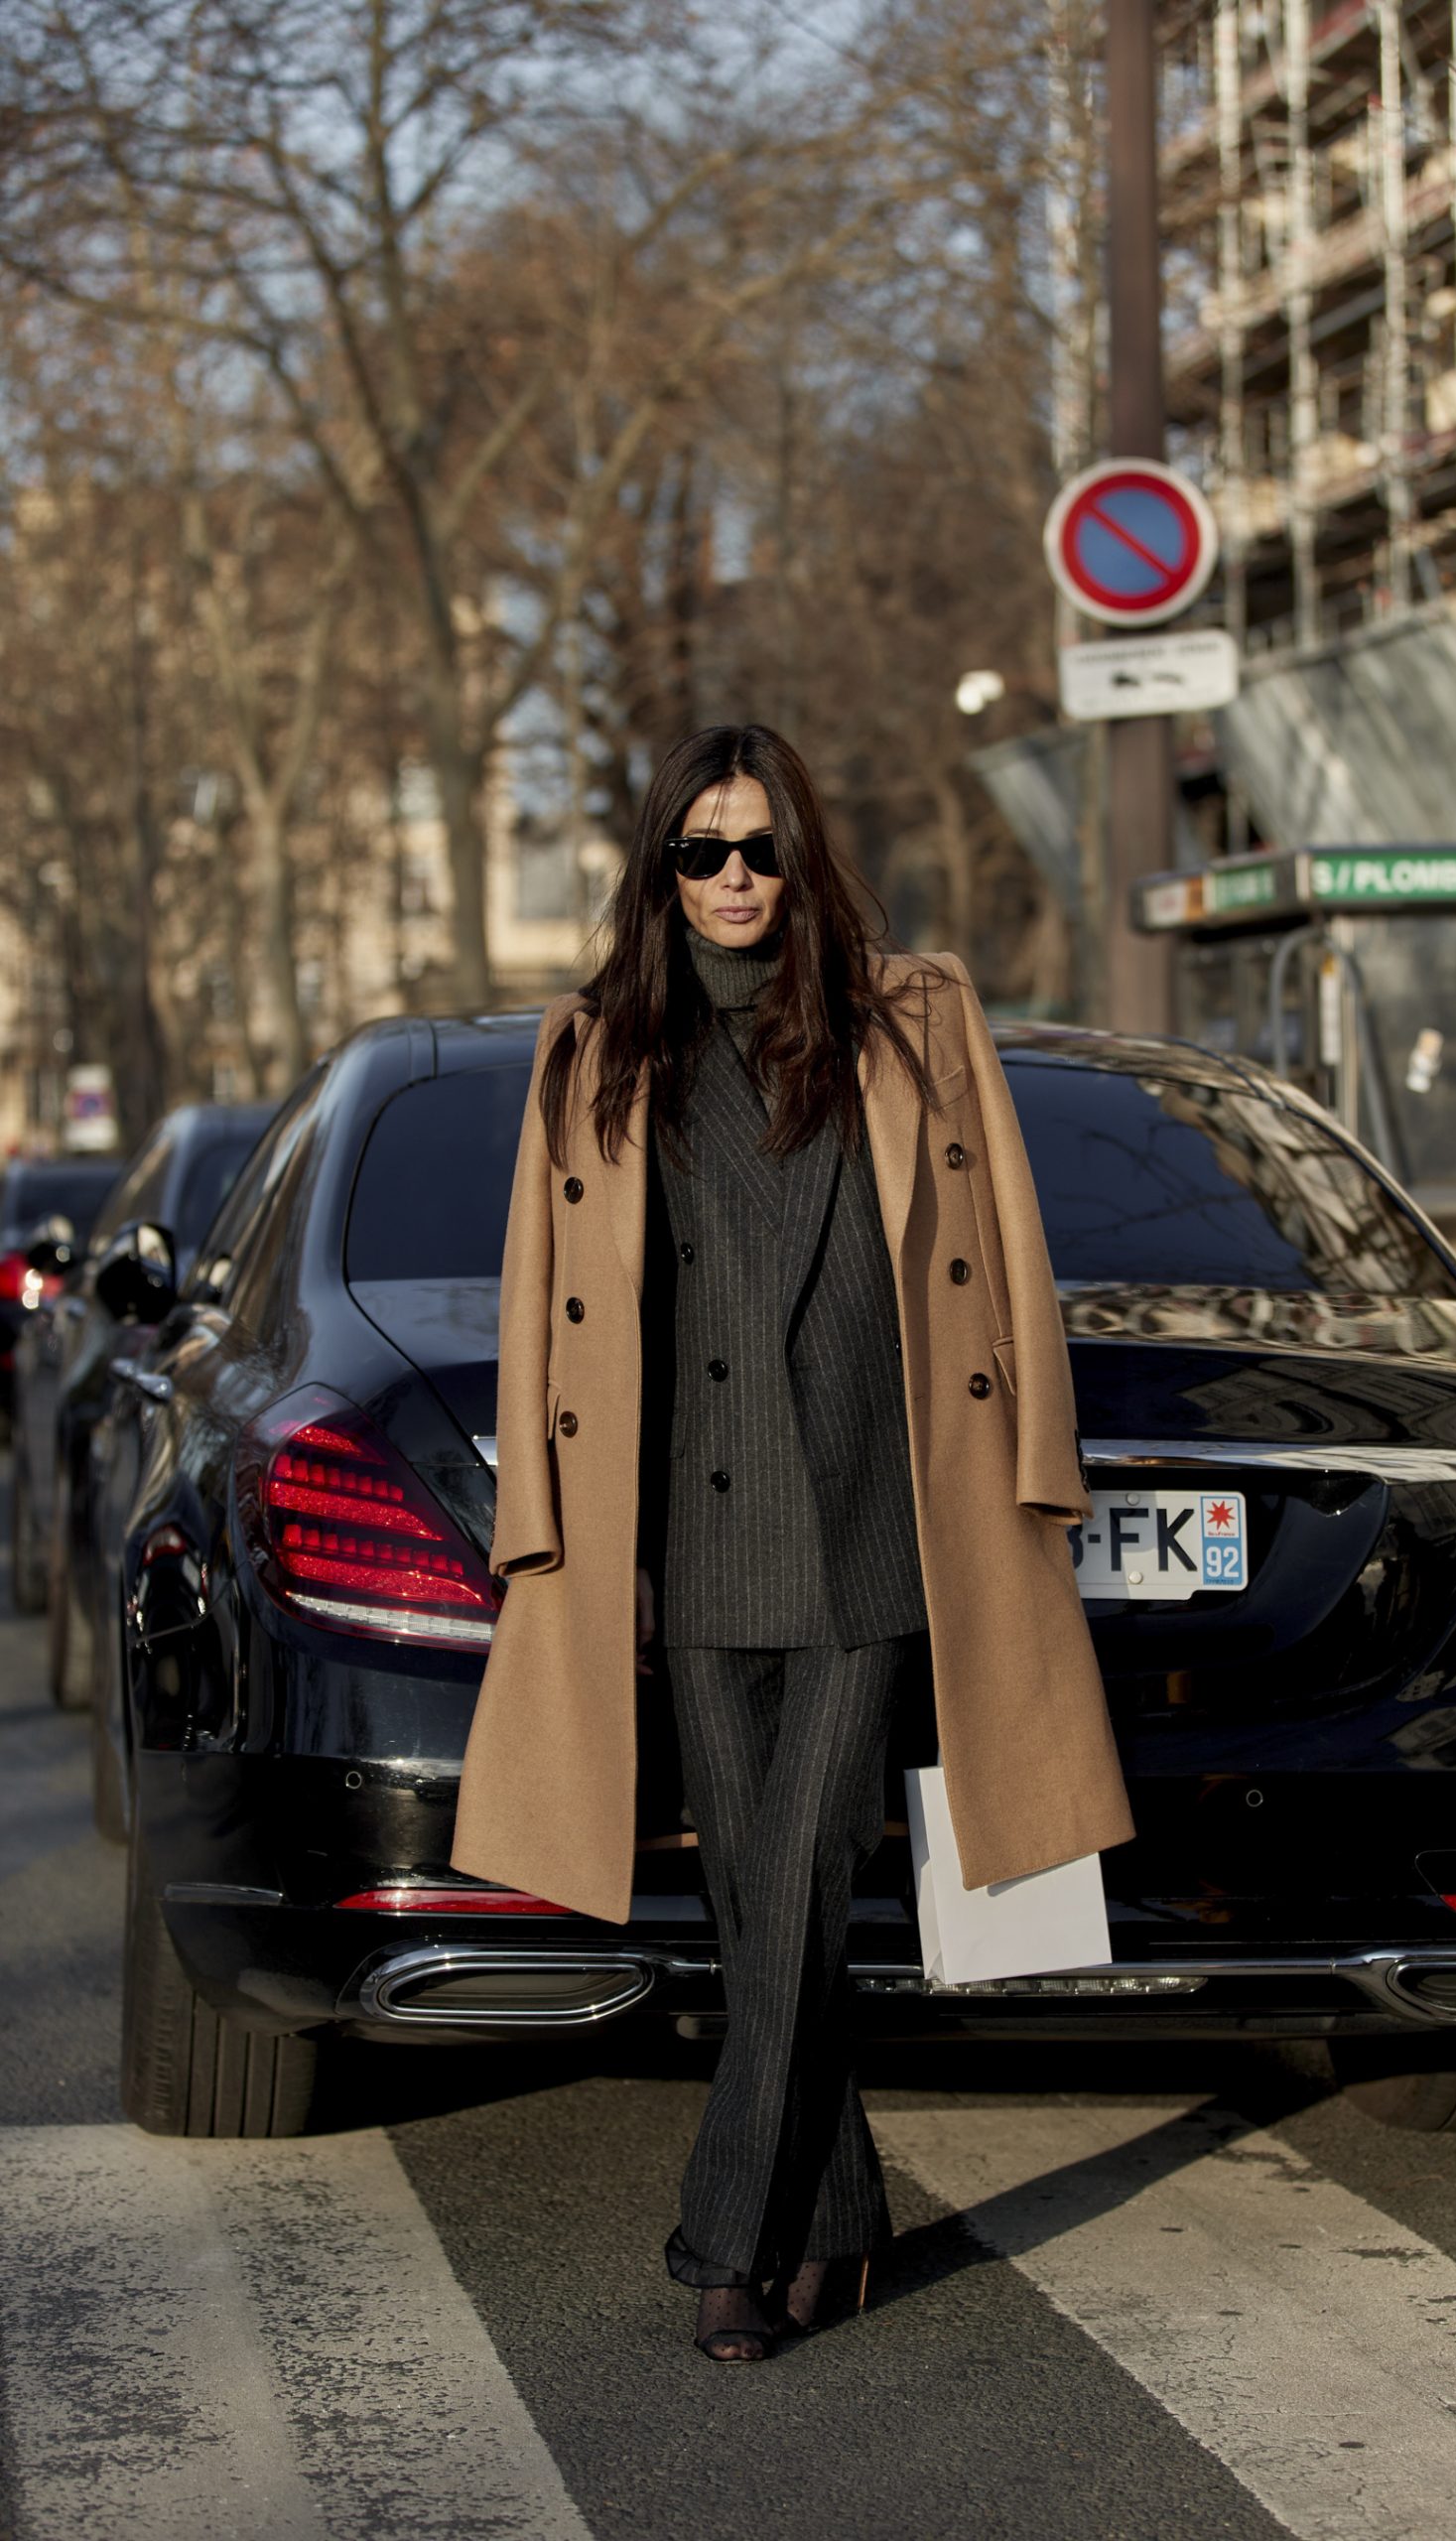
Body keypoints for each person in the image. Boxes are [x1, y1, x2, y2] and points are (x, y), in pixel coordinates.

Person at [451, 724, 1134, 2362]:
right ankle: (838, 2219)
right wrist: (551, 1536)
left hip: (878, 1524)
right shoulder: (598, 1051)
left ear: (804, 856)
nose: (737, 879)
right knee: (761, 1904)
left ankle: (721, 2237)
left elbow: (1006, 1248)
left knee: (811, 1880)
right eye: (704, 852)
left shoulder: (915, 1023)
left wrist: (1040, 1462)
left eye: (762, 848)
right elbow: (542, 1317)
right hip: (688, 1538)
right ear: (661, 871)